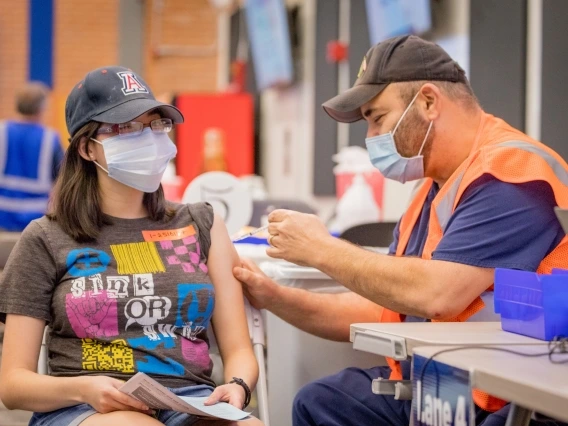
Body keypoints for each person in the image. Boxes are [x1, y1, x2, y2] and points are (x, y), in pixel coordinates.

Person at [233, 35, 568, 426]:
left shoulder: (510, 174)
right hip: (444, 385)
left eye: (377, 118)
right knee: (320, 403)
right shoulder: (432, 187)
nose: (371, 137)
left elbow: (436, 295)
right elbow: (384, 308)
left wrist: (320, 248)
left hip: (508, 396)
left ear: (427, 102)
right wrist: (273, 297)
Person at [0, 66, 262, 426]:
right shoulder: (46, 238)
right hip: (85, 407)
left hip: (192, 402)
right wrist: (86, 389)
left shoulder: (201, 223)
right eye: (128, 127)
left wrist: (238, 386)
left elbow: (239, 351)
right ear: (88, 148)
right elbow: (13, 385)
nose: (150, 138)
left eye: (156, 124)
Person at [0, 81, 65, 231]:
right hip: (35, 218)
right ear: (42, 107)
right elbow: (63, 176)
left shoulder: (2, 131)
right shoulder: (50, 138)